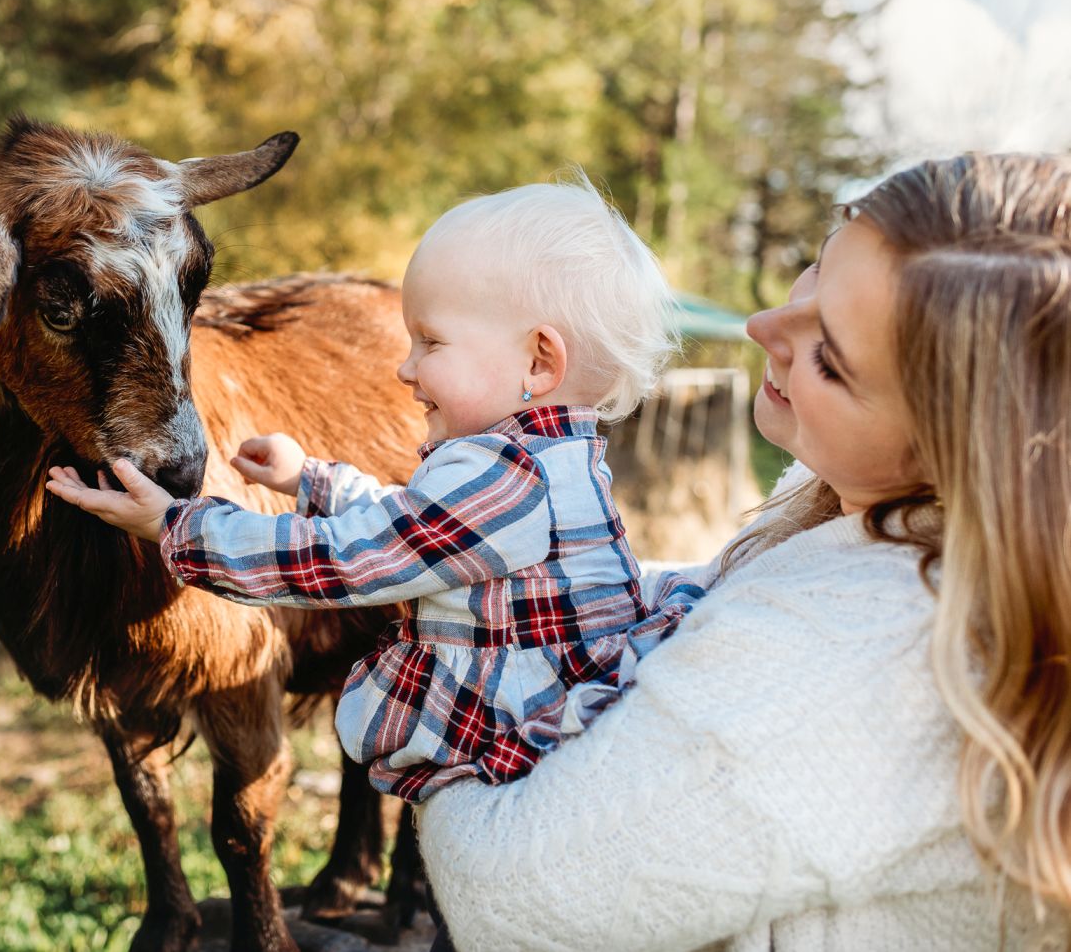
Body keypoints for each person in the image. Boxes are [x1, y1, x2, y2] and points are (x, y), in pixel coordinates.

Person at [415, 153, 1071, 950]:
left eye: (830, 358)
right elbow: (707, 600)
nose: (765, 326)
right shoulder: (866, 510)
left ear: (957, 448)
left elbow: (504, 894)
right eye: (815, 271)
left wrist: (445, 653)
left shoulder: (856, 659)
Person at [45, 178, 703, 805]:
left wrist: (175, 524)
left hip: (524, 751)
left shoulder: (507, 483)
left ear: (539, 361)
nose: (403, 367)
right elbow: (411, 524)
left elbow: (339, 560)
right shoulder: (543, 461)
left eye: (430, 342)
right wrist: (311, 479)